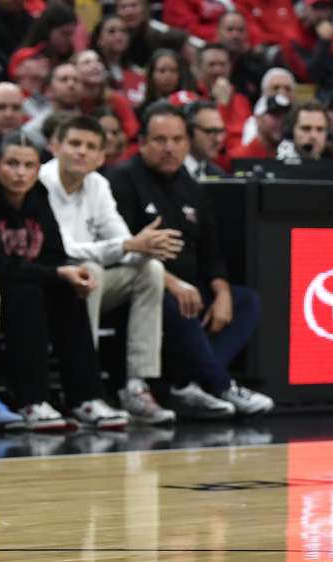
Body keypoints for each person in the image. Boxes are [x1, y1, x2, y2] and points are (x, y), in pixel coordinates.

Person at [108, 104, 273, 417]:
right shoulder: (122, 181)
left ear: (187, 143)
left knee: (245, 301)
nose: (169, 148)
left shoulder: (191, 187)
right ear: (141, 141)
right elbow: (123, 249)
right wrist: (173, 284)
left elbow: (211, 252)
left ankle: (190, 384)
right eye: (159, 140)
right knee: (176, 300)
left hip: (191, 289)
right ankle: (220, 384)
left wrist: (222, 294)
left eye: (176, 139)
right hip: (144, 286)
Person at [39, 116, 180, 425]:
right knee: (90, 270)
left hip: (90, 282)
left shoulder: (98, 184)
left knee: (151, 270)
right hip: (49, 282)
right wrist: (129, 246)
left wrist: (145, 248)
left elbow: (122, 240)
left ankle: (136, 384)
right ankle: (84, 387)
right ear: (55, 147)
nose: (81, 152)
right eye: (74, 144)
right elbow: (62, 249)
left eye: (90, 147)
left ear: (102, 157)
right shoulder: (42, 181)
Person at [0, 132, 129, 430]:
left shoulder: (38, 196)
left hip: (30, 279)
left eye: (28, 166)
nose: (20, 173)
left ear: (38, 169)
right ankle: (31, 400)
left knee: (68, 293)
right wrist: (54, 273)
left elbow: (54, 254)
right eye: (12, 164)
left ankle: (86, 398)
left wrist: (71, 275)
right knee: (29, 294)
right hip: (0, 285)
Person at [184, 101, 230, 178]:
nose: (218, 140)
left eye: (221, 131)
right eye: (210, 131)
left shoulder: (219, 174)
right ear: (189, 131)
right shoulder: (169, 172)